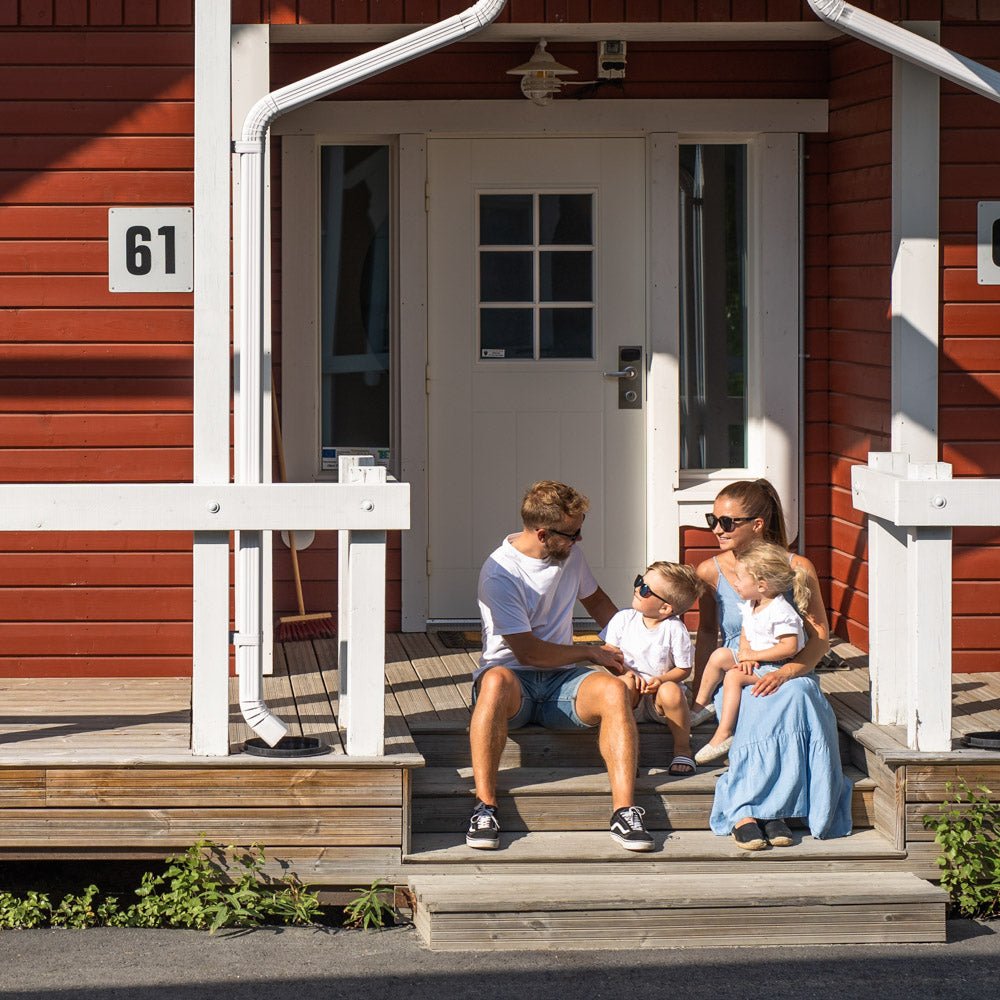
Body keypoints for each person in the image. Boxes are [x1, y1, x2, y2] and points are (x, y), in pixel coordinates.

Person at [468, 480, 655, 852]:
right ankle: (485, 807)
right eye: (573, 533)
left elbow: (600, 604)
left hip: (562, 685)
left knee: (614, 690)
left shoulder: (568, 554)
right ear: (542, 533)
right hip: (514, 686)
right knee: (493, 682)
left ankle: (624, 811)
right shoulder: (500, 572)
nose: (579, 539)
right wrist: (591, 653)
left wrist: (632, 658)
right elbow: (528, 653)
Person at [692, 479, 853, 851]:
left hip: (789, 665)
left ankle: (778, 805)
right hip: (740, 669)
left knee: (795, 696)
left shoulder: (797, 567)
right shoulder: (709, 571)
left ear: (758, 524)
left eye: (727, 522)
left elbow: (818, 637)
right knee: (754, 698)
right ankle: (746, 808)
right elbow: (706, 635)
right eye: (712, 519)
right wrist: (699, 689)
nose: (717, 529)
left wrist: (788, 671)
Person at [694, 542, 809, 767]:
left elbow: (789, 648)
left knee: (734, 676)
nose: (734, 583)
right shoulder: (751, 603)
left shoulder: (781, 611)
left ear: (762, 585)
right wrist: (746, 652)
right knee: (719, 656)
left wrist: (755, 655)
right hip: (755, 656)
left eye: (739, 579)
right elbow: (746, 632)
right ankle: (700, 705)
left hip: (776, 666)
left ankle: (724, 733)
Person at [600, 562, 703, 777]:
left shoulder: (674, 628)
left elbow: (684, 668)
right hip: (632, 697)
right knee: (622, 686)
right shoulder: (623, 619)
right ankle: (628, 754)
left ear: (665, 608)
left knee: (671, 690)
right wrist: (626, 672)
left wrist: (662, 679)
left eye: (645, 590)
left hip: (660, 702)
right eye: (639, 581)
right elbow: (609, 655)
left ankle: (683, 748)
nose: (637, 589)